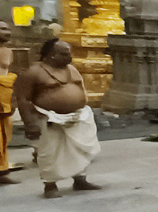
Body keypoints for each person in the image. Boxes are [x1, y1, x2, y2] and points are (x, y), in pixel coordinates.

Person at [13, 38, 102, 198]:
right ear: (50, 55)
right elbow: (23, 99)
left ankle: (80, 180)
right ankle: (50, 185)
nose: (69, 57)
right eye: (63, 54)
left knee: (78, 150)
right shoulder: (33, 72)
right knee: (50, 152)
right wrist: (29, 124)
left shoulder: (72, 69)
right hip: (48, 118)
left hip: (77, 117)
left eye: (69, 54)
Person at [0, 21, 15, 184]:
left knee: (4, 134)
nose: (7, 32)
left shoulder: (8, 51)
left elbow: (7, 74)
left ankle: (2, 171)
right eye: (2, 29)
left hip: (4, 94)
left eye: (7, 29)